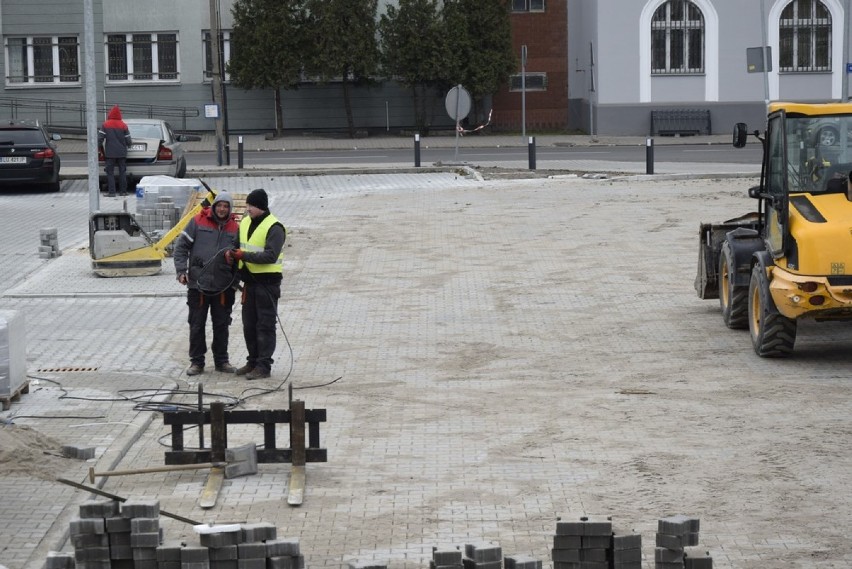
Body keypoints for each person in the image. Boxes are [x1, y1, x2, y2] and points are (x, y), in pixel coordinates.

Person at [174, 192, 240, 376]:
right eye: (219, 205)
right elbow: (181, 248)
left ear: (230, 208)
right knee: (196, 325)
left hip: (223, 288)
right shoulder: (197, 222)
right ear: (214, 206)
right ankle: (197, 362)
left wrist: (234, 283)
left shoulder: (235, 228)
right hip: (198, 286)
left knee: (222, 325)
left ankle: (221, 361)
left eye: (226, 206)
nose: (222, 209)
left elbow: (239, 260)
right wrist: (181, 271)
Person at [225, 188, 286, 380]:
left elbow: (270, 255)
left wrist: (244, 256)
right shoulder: (244, 222)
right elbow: (237, 245)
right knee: (249, 325)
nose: (247, 208)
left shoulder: (275, 227)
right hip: (249, 285)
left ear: (260, 206)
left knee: (265, 326)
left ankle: (264, 366)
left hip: (267, 285)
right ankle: (252, 362)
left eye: (251, 205)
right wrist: (231, 254)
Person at [97, 105, 132, 197]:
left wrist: (98, 148)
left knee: (110, 172)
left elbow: (100, 139)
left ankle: (112, 192)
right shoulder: (123, 125)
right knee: (122, 172)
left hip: (110, 153)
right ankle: (123, 191)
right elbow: (128, 141)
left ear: (110, 114)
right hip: (122, 153)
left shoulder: (105, 124)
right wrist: (129, 145)